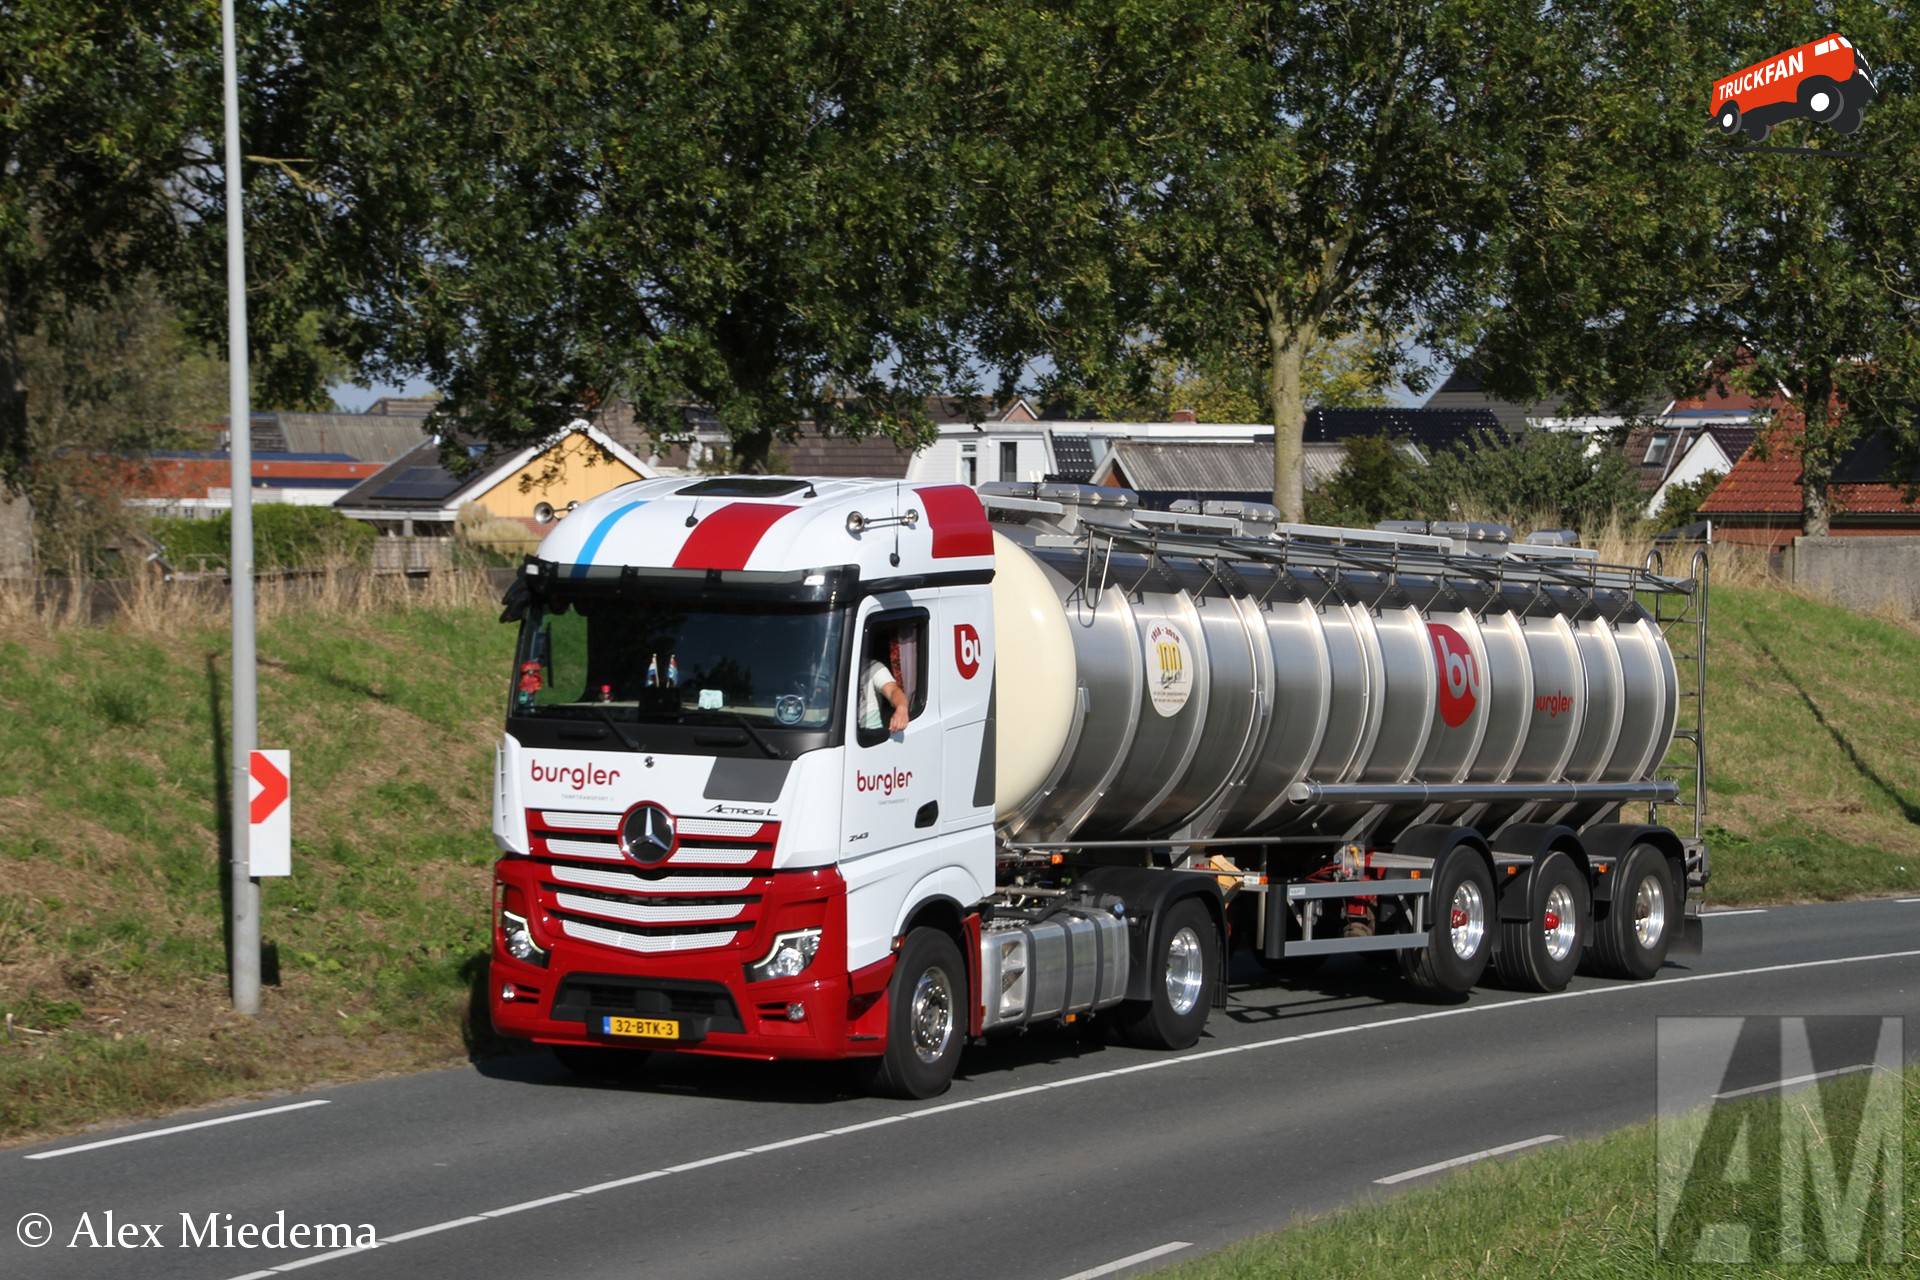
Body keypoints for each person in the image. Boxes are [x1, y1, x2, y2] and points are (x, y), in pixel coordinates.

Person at [857, 636, 910, 735]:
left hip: (869, 734)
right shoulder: (829, 670)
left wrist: (901, 708)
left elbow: (893, 690)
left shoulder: (872, 667)